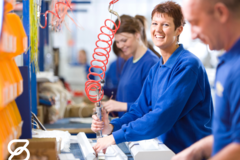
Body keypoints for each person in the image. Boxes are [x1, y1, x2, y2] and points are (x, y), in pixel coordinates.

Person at [91, 1, 213, 155]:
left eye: (165, 25)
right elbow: (139, 110)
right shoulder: (156, 69)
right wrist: (112, 127)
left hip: (191, 153)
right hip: (167, 152)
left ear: (179, 30)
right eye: (155, 23)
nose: (158, 30)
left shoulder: (187, 65)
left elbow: (162, 115)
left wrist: (115, 137)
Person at [172, 0, 240, 159]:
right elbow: (227, 134)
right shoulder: (226, 62)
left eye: (195, 23)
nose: (193, 35)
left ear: (221, 13)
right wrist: (192, 153)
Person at [101, 15, 159, 118]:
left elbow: (154, 106)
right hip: (125, 128)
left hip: (142, 131)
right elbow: (123, 98)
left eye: (124, 40)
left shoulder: (151, 63)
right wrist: (108, 107)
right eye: (117, 42)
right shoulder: (128, 63)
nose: (120, 45)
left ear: (137, 34)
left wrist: (123, 106)